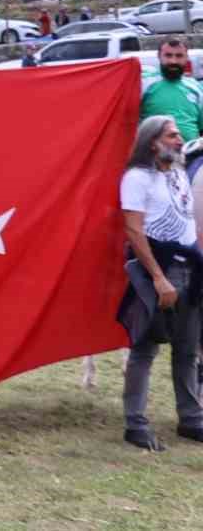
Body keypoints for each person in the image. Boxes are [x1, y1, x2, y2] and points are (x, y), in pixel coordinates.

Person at [118, 115, 203, 450]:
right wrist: (157, 278)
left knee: (186, 349)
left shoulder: (180, 174)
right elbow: (134, 230)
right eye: (171, 135)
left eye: (179, 135)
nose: (179, 140)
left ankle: (192, 418)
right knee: (144, 348)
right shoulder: (137, 178)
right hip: (157, 269)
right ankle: (135, 424)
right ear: (153, 142)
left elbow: (187, 222)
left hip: (189, 269)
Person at [141, 37, 203, 142]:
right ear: (159, 57)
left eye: (179, 56)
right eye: (168, 55)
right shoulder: (144, 83)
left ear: (187, 58)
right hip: (155, 155)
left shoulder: (196, 87)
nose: (173, 61)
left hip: (191, 154)